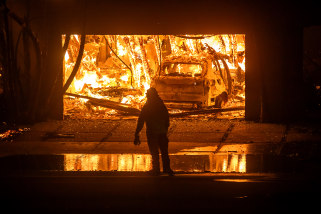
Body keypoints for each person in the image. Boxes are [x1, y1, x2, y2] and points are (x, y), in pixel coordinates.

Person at [134, 87, 174, 176]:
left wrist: (137, 133)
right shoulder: (161, 104)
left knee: (154, 152)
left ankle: (156, 169)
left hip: (152, 132)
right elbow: (166, 118)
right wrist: (165, 129)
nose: (147, 96)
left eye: (147, 95)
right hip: (162, 132)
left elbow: (141, 120)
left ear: (149, 96)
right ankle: (167, 168)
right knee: (164, 151)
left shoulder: (148, 106)